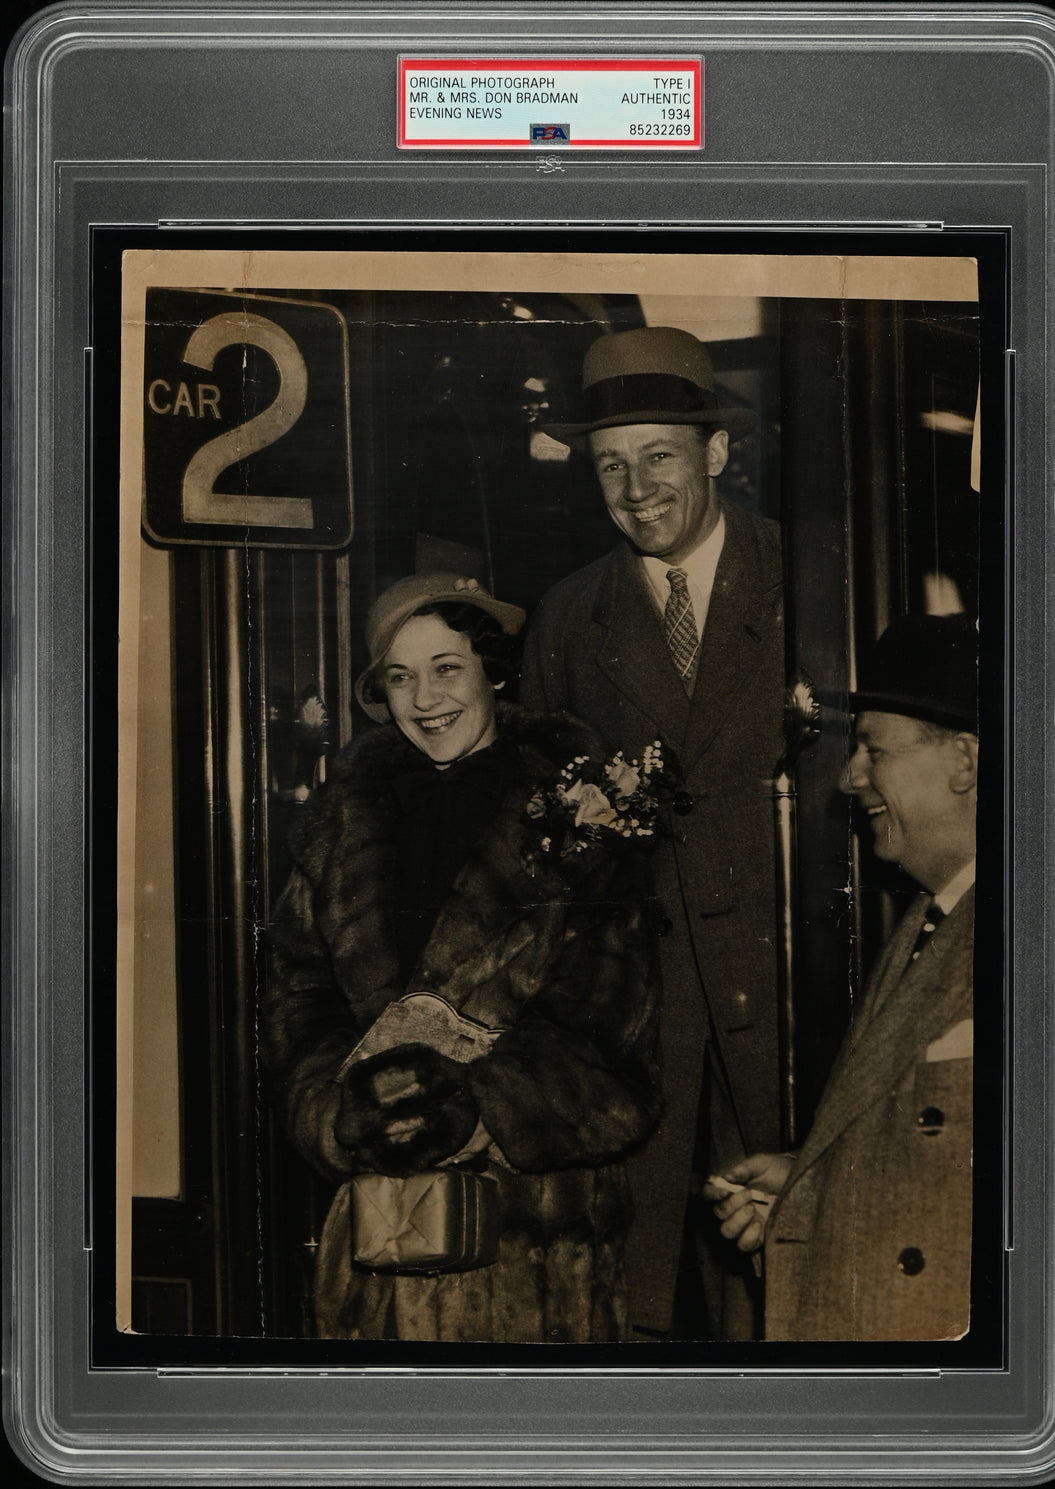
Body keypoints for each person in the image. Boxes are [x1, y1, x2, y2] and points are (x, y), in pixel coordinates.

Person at [262, 572, 662, 1343]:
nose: (425, 698)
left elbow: (611, 1034)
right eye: (400, 678)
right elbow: (296, 1001)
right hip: (380, 1233)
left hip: (536, 1239)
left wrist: (477, 1104)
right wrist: (340, 1112)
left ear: (493, 672)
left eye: (447, 667)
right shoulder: (343, 829)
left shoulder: (578, 814)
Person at [520, 326, 786, 1339]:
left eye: (658, 456)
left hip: (784, 1006)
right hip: (639, 1028)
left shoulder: (803, 575)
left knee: (779, 1290)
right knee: (636, 1296)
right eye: (609, 465)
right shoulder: (566, 617)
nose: (633, 490)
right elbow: (542, 834)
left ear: (716, 452)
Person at [707, 612, 977, 1340]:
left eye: (872, 748)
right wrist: (806, 1192)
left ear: (965, 761)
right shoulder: (930, 919)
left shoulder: (1044, 936)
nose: (852, 776)